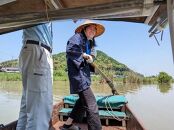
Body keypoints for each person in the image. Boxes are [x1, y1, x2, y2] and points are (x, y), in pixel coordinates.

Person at [63, 20, 105, 130]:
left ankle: (67, 125)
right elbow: (71, 50)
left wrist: (91, 58)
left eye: (94, 29)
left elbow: (89, 59)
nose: (93, 31)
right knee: (92, 105)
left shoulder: (88, 43)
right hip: (79, 76)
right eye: (90, 28)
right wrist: (83, 55)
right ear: (84, 29)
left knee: (82, 102)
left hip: (84, 77)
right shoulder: (77, 37)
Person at [16, 23, 53, 130]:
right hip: (39, 51)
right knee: (39, 110)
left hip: (32, 49)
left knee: (27, 104)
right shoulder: (44, 7)